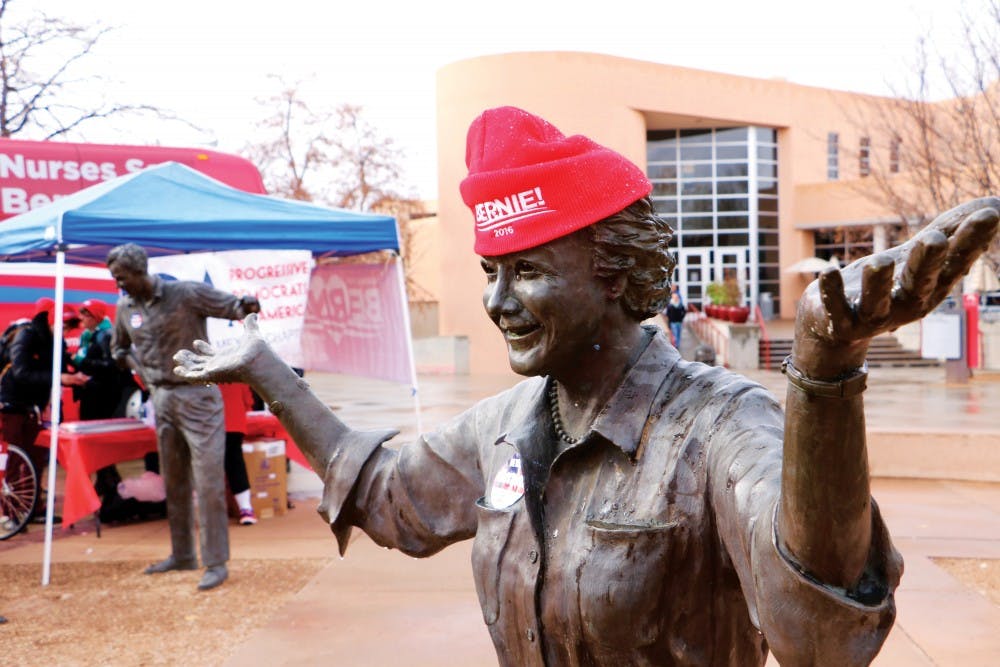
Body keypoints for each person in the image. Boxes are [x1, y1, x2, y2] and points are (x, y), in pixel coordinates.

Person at [172, 107, 1000, 665]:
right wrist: (266, 368)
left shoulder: (719, 425)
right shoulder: (504, 426)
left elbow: (818, 630)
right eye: (491, 271)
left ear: (613, 272)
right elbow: (389, 494)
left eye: (527, 270)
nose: (498, 301)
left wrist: (823, 374)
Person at [107, 243, 259, 591]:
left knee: (207, 483)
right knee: (173, 481)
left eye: (122, 277)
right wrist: (139, 371)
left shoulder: (185, 293)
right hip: (162, 398)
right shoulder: (124, 307)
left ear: (139, 269)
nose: (119, 284)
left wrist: (247, 305)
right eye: (115, 279)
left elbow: (233, 307)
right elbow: (119, 349)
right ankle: (182, 554)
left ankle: (216, 561)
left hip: (198, 395)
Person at [0, 298, 87, 493]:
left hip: (36, 406)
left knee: (36, 456)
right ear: (51, 320)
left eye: (67, 329)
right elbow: (21, 372)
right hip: (12, 404)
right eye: (63, 326)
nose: (65, 333)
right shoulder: (26, 336)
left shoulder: (55, 340)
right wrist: (60, 378)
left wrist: (78, 376)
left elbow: (65, 366)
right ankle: (13, 510)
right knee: (16, 457)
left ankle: (34, 503)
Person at [72, 298, 142, 516]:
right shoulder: (89, 336)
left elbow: (112, 367)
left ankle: (113, 490)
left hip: (102, 398)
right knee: (95, 446)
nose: (81, 319)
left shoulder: (106, 335)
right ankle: (105, 483)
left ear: (95, 316)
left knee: (100, 446)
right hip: (92, 395)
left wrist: (80, 363)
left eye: (86, 314)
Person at [219, 382, 257, 525]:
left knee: (209, 468)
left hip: (208, 426)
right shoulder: (236, 374)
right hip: (234, 423)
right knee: (236, 465)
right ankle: (246, 509)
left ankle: (212, 511)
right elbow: (248, 402)